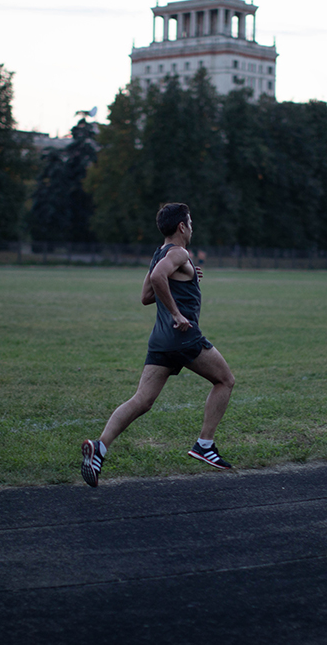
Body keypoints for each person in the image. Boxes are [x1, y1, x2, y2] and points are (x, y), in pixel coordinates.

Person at [81, 203, 236, 487]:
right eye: (190, 222)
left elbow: (145, 295)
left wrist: (187, 281)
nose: (192, 227)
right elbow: (156, 279)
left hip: (161, 340)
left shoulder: (160, 254)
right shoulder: (179, 252)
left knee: (142, 400)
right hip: (183, 337)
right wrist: (177, 314)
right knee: (225, 380)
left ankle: (99, 448)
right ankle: (205, 444)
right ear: (181, 227)